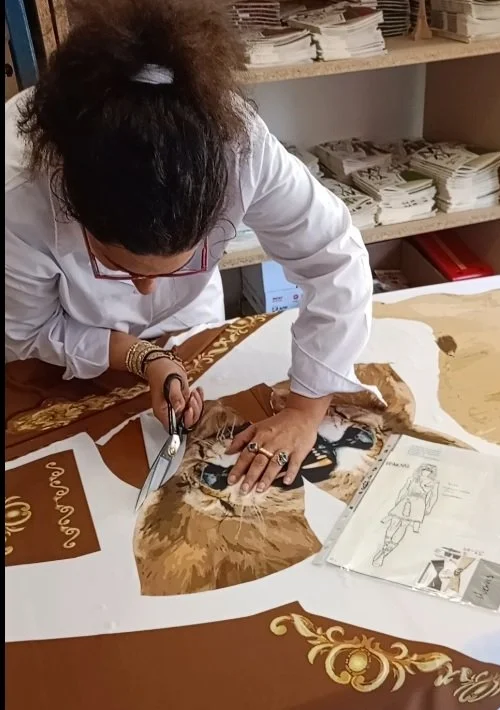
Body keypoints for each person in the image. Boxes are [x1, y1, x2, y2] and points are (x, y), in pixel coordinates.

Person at [5, 0, 374, 495]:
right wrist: (142, 356)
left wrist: (305, 411)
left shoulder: (240, 147)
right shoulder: (18, 189)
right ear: (70, 203)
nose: (146, 290)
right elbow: (31, 330)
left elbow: (334, 256)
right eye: (118, 266)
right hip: (60, 347)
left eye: (174, 265)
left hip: (189, 328)